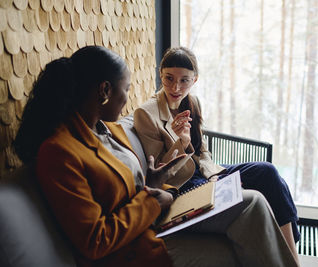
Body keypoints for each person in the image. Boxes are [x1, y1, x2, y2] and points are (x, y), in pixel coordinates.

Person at [13, 45, 299, 267]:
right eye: (125, 89)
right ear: (104, 91)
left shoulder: (107, 131)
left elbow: (128, 184)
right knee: (242, 233)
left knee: (253, 201)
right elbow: (94, 241)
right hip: (131, 247)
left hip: (155, 214)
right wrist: (152, 199)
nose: (128, 98)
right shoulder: (59, 152)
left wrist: (154, 179)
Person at [134, 46, 301, 261]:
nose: (176, 86)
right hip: (180, 186)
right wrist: (180, 143)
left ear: (194, 80)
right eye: (169, 78)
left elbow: (203, 150)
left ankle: (292, 257)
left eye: (184, 80)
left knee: (267, 173)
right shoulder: (146, 114)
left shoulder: (192, 103)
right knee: (254, 194)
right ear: (160, 74)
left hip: (202, 175)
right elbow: (159, 173)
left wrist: (211, 174)